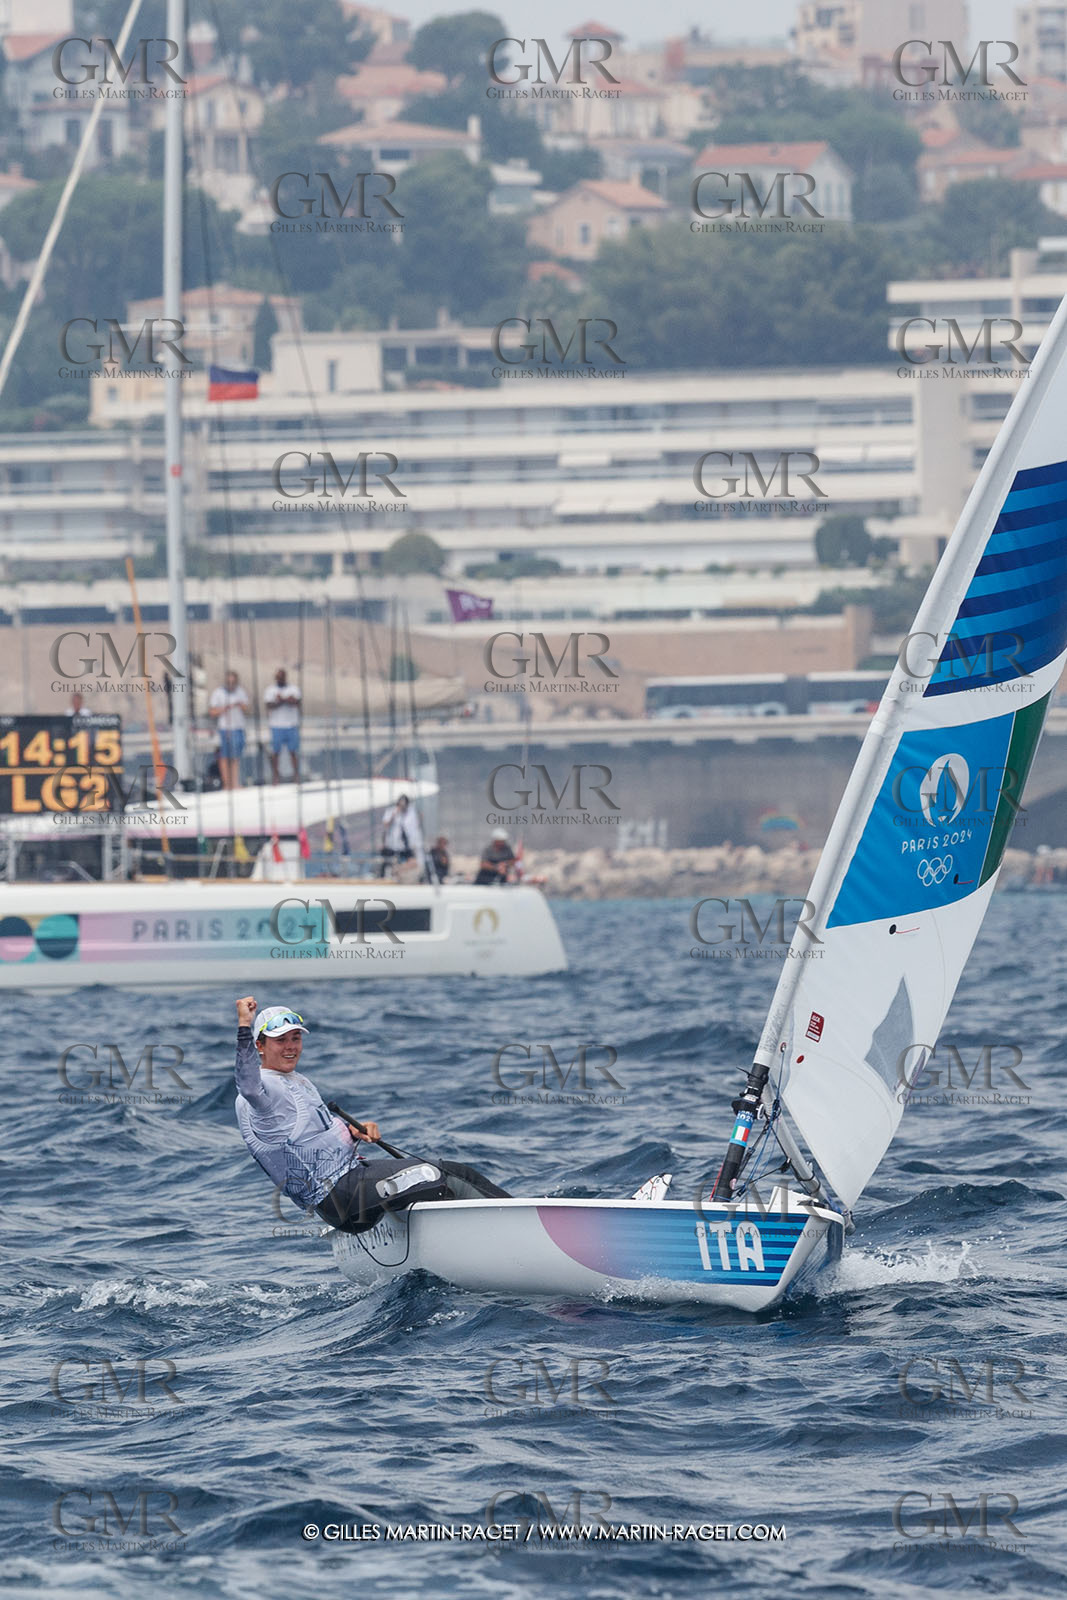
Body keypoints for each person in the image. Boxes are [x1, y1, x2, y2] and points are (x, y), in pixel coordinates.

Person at [232, 996, 508, 1232]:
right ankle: (514, 1227)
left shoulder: (295, 1080)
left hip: (353, 1181)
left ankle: (490, 1232)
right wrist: (245, 1025)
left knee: (453, 1173)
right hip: (340, 1195)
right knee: (438, 1176)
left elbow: (307, 1133)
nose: (291, 1046)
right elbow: (247, 1084)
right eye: (281, 1040)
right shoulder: (262, 1089)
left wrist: (353, 1131)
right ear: (259, 1045)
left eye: (295, 1038)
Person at [208, 669, 249, 790]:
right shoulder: (218, 693)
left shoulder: (240, 692)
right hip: (225, 728)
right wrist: (225, 708)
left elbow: (247, 708)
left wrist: (240, 705)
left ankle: (235, 783)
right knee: (224, 756)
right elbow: (212, 711)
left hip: (238, 727)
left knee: (236, 756)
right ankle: (227, 784)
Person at [265, 667, 302, 785]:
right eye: (278, 677)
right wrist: (285, 700)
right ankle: (276, 777)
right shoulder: (270, 690)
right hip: (276, 725)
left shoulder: (294, 688)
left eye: (282, 676)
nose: (280, 679)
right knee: (276, 752)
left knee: (293, 751)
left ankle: (296, 776)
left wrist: (282, 699)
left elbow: (297, 702)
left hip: (291, 724)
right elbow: (269, 704)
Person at [379, 793, 424, 877]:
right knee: (387, 862)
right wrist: (394, 815)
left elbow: (416, 824)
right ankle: (383, 877)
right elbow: (385, 824)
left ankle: (398, 871)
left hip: (405, 843)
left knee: (412, 861)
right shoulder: (392, 811)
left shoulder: (410, 813)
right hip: (392, 843)